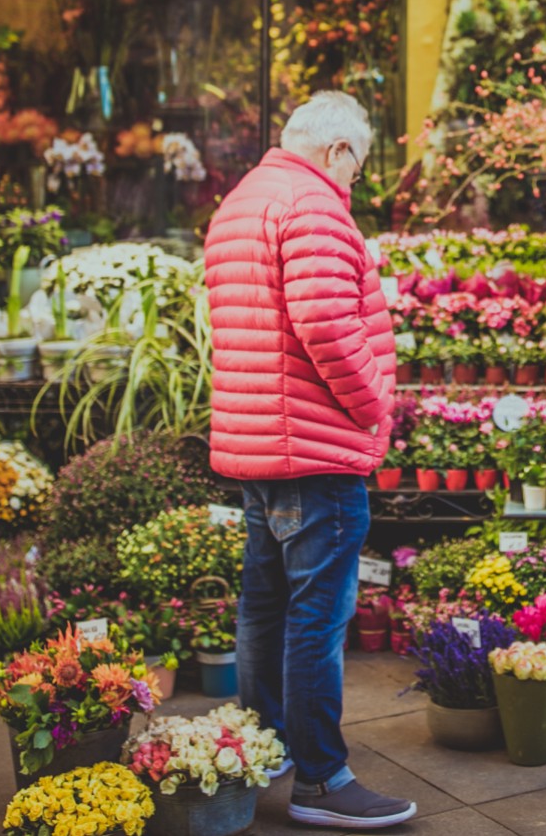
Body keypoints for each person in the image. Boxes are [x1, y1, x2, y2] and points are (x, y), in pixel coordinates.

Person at [202, 92, 415, 830]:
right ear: (336, 151)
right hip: (316, 451)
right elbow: (325, 322)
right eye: (358, 162)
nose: (356, 179)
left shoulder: (243, 200)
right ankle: (322, 777)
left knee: (262, 607)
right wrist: (374, 403)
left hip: (262, 447)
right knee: (316, 617)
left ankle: (266, 749)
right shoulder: (315, 204)